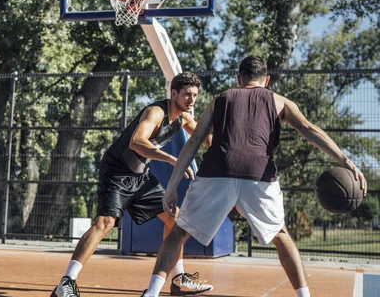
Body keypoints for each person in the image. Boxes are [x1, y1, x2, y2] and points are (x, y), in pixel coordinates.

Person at [140, 56, 368, 297]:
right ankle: (305, 296)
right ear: (266, 80)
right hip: (259, 174)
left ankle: (152, 293)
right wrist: (345, 160)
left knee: (178, 233)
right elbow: (309, 129)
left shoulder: (220, 99)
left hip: (216, 172)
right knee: (281, 235)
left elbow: (195, 140)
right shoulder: (279, 101)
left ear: (239, 79)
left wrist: (172, 185)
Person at [52, 72, 214, 297]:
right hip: (117, 172)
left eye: (195, 95)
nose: (192, 100)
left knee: (175, 220)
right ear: (173, 93)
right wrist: (171, 159)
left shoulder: (184, 118)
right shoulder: (156, 112)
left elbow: (206, 138)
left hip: (141, 177)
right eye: (187, 94)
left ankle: (178, 279)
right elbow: (137, 142)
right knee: (105, 222)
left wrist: (223, 153)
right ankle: (66, 282)